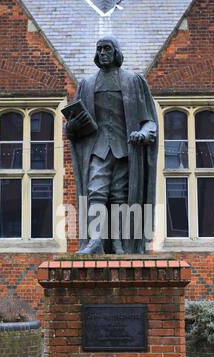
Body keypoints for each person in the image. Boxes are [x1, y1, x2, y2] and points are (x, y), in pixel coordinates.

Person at [65, 36, 158, 254]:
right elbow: (71, 128)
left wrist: (143, 134)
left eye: (107, 49)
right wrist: (72, 126)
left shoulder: (133, 81)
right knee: (96, 191)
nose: (102, 53)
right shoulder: (86, 85)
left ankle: (117, 243)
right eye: (98, 50)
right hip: (98, 150)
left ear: (116, 52)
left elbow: (149, 121)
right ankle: (96, 241)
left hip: (125, 150)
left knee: (120, 196)